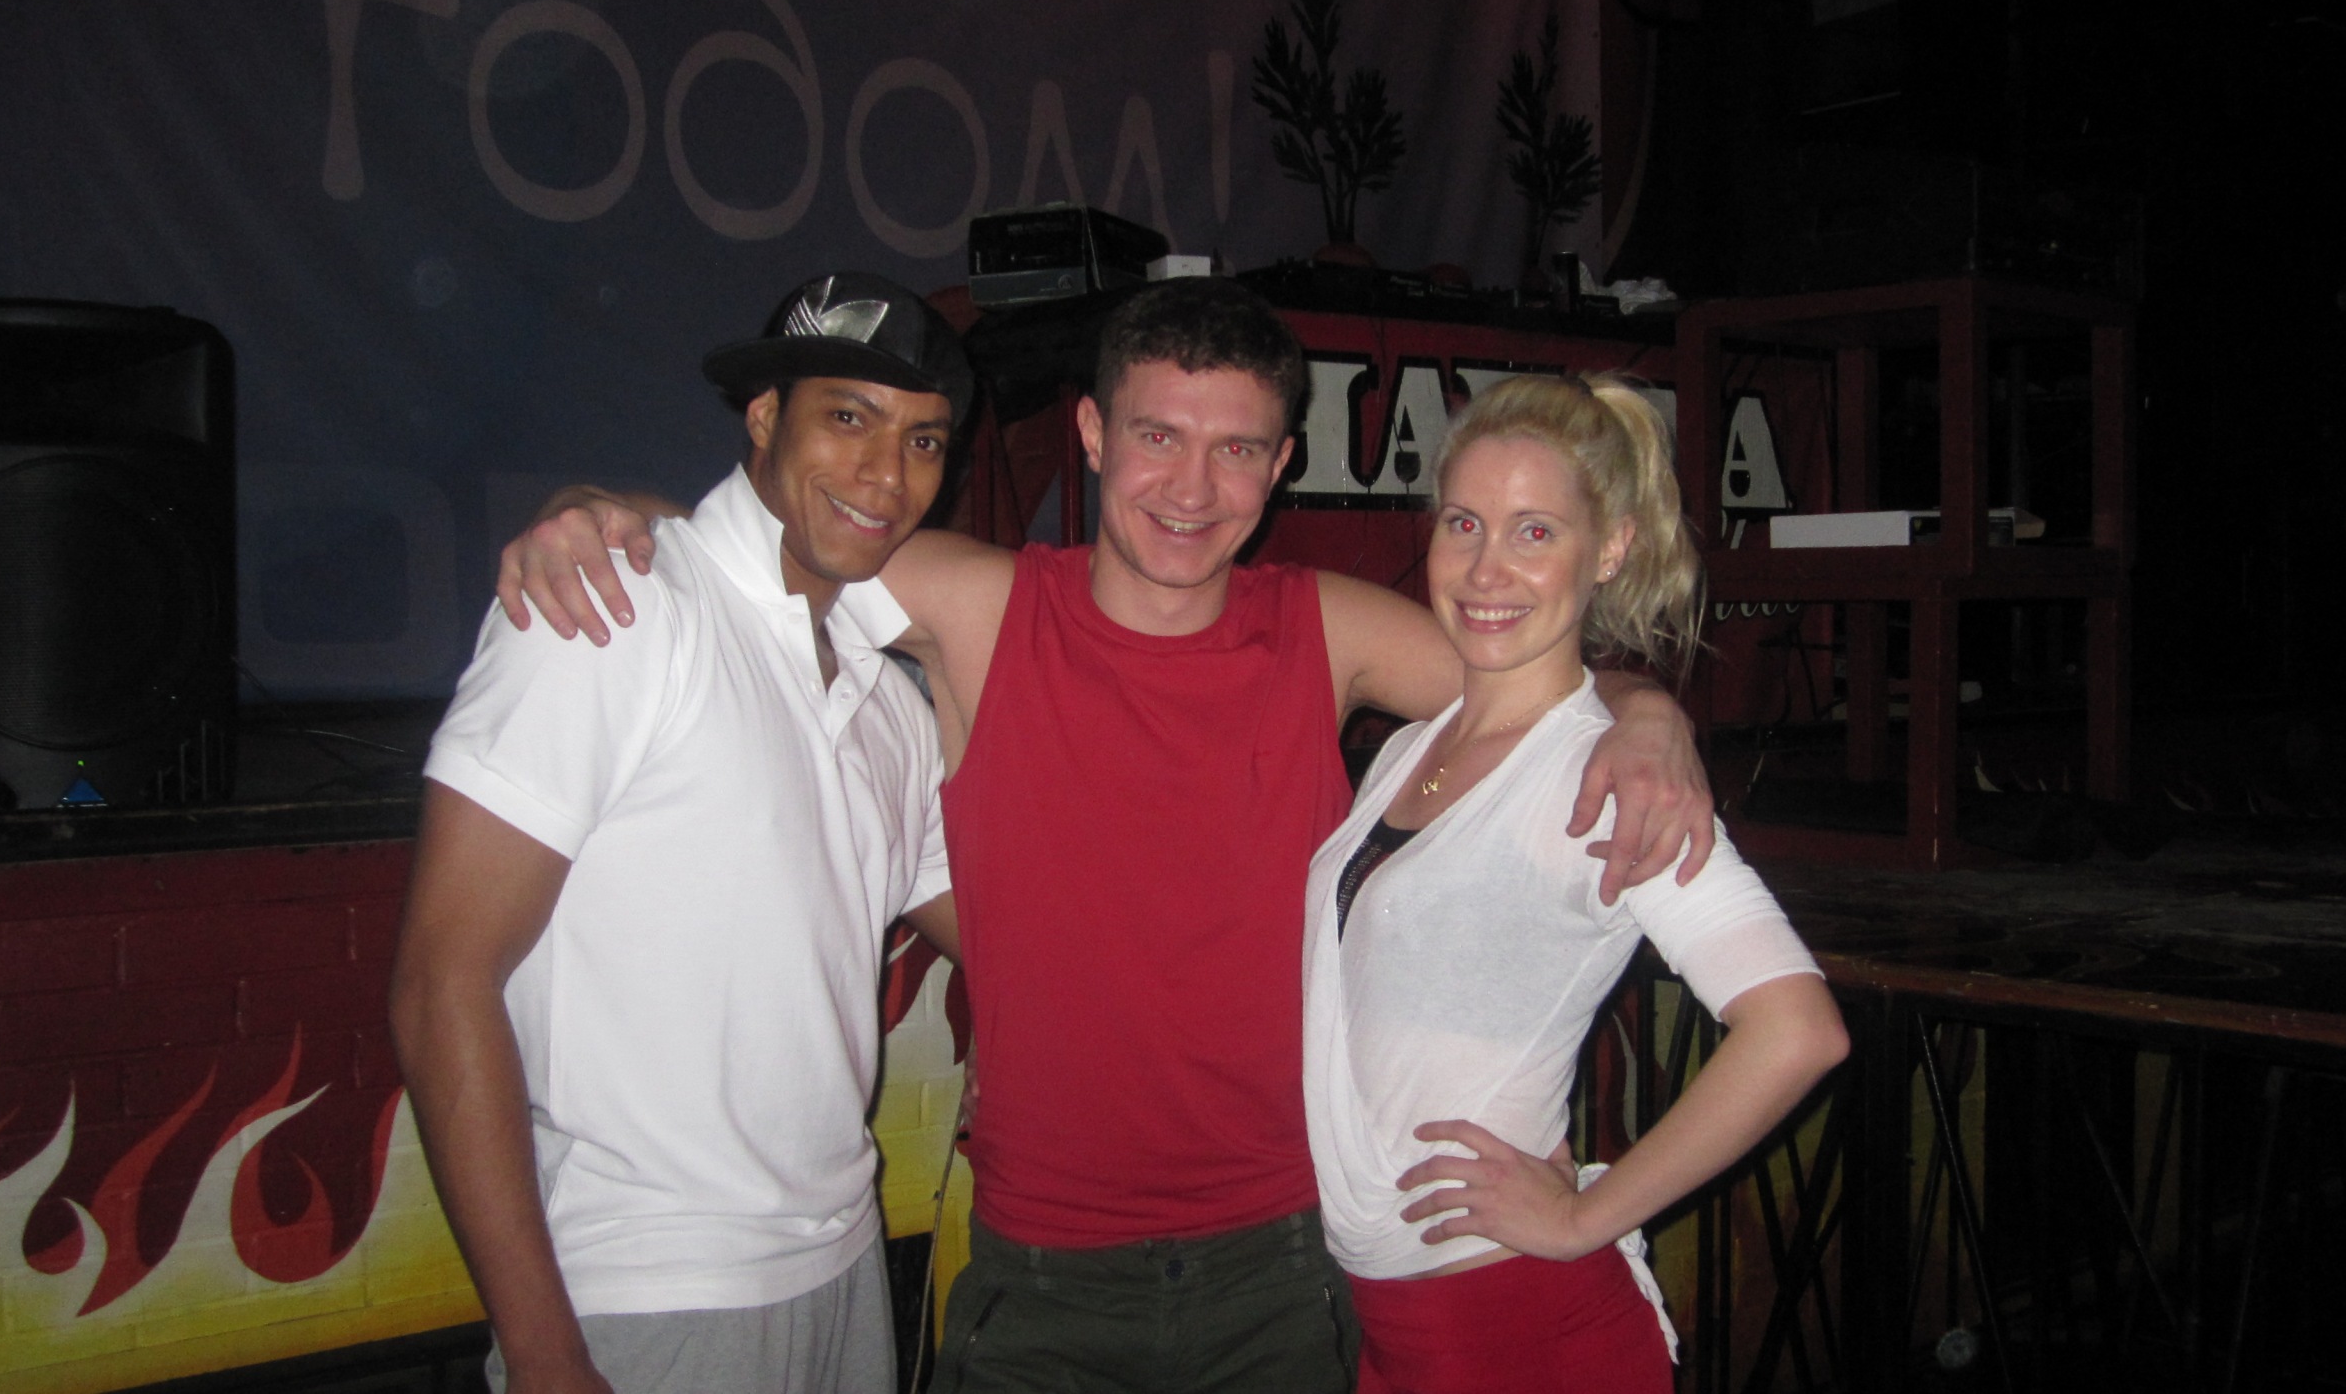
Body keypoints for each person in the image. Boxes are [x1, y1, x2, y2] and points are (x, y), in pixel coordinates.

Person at [494, 279, 1721, 1394]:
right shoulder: (979, 604)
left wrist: (1646, 711)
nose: (1192, 489)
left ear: (1281, 463)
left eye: (1235, 449)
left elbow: (1532, 677)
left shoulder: (1324, 629)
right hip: (1043, 1274)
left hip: (1284, 1257)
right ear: (1090, 432)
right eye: (1157, 436)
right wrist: (597, 513)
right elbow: (754, 553)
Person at [390, 271, 973, 1394]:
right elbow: (440, 980)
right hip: (648, 1289)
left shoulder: (885, 701)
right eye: (847, 417)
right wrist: (546, 1352)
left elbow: (1007, 938)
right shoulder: (617, 606)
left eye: (922, 440)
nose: (884, 474)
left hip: (845, 1263)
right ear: (764, 416)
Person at [1303, 373, 1850, 1394]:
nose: (1485, 567)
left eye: (1534, 531)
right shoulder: (1411, 748)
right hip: (1397, 1321)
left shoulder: (1600, 779)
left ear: (1608, 549)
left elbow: (1798, 1029)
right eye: (1463, 522)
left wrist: (1584, 1214)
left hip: (1515, 1321)